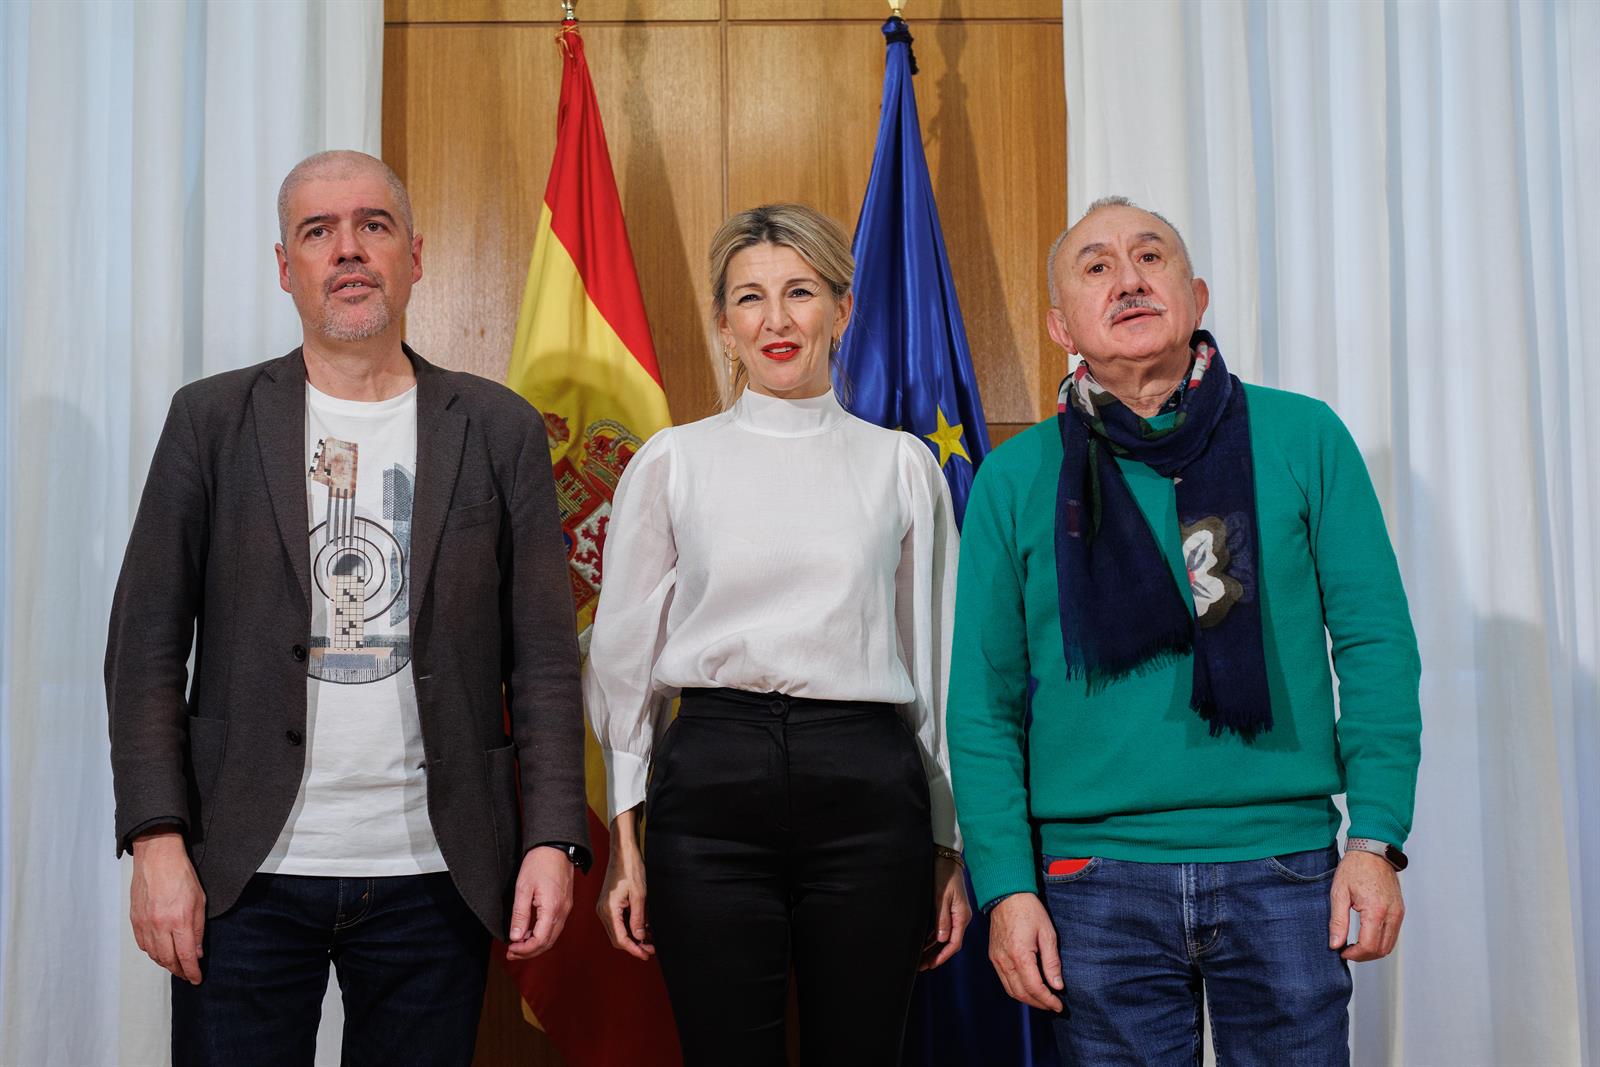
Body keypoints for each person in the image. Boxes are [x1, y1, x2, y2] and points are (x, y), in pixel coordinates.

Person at [104, 150, 590, 1066]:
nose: (349, 250)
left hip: (437, 871)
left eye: (373, 225)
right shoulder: (210, 421)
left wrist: (554, 837)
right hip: (241, 868)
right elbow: (145, 649)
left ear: (415, 254)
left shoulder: (498, 427)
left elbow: (543, 660)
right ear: (285, 266)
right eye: (318, 231)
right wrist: (156, 838)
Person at [948, 196, 1422, 1065]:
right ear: (1061, 326)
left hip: (1285, 866)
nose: (1128, 279)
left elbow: (1377, 645)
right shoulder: (1014, 479)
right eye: (1097, 266)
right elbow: (983, 703)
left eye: (1150, 256)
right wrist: (1007, 886)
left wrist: (1375, 838)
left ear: (1196, 295)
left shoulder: (1305, 436)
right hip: (1090, 882)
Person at [584, 203, 970, 1066]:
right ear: (724, 326)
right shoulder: (673, 461)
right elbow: (622, 661)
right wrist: (626, 837)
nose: (777, 319)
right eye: (750, 298)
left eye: (800, 291)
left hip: (868, 788)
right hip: (711, 786)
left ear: (841, 307)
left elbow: (937, 661)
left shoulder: (902, 465)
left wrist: (949, 842)